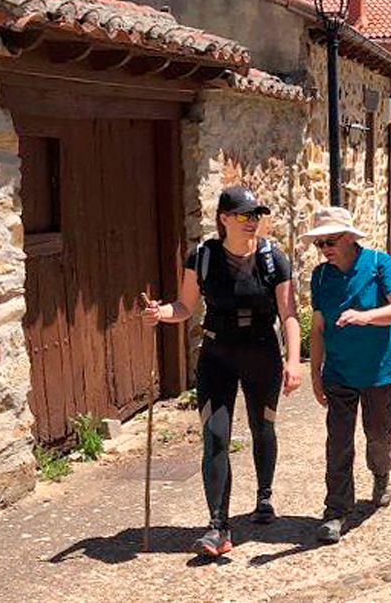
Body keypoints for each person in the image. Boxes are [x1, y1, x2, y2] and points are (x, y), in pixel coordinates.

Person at [141, 186, 303, 558]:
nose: (252, 222)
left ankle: (264, 497)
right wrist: (160, 314)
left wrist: (293, 361)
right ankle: (218, 525)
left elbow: (288, 314)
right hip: (217, 355)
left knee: (263, 426)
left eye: (256, 216)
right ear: (224, 219)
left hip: (261, 352)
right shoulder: (202, 258)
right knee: (215, 436)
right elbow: (184, 306)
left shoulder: (273, 258)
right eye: (245, 216)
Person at [305, 206, 391, 544]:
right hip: (338, 371)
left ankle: (381, 475)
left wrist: (365, 317)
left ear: (350, 237)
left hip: (379, 370)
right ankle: (336, 511)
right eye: (319, 244)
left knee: (379, 435)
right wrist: (315, 373)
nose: (324, 249)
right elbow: (318, 328)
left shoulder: (379, 263)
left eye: (330, 241)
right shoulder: (320, 277)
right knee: (338, 442)